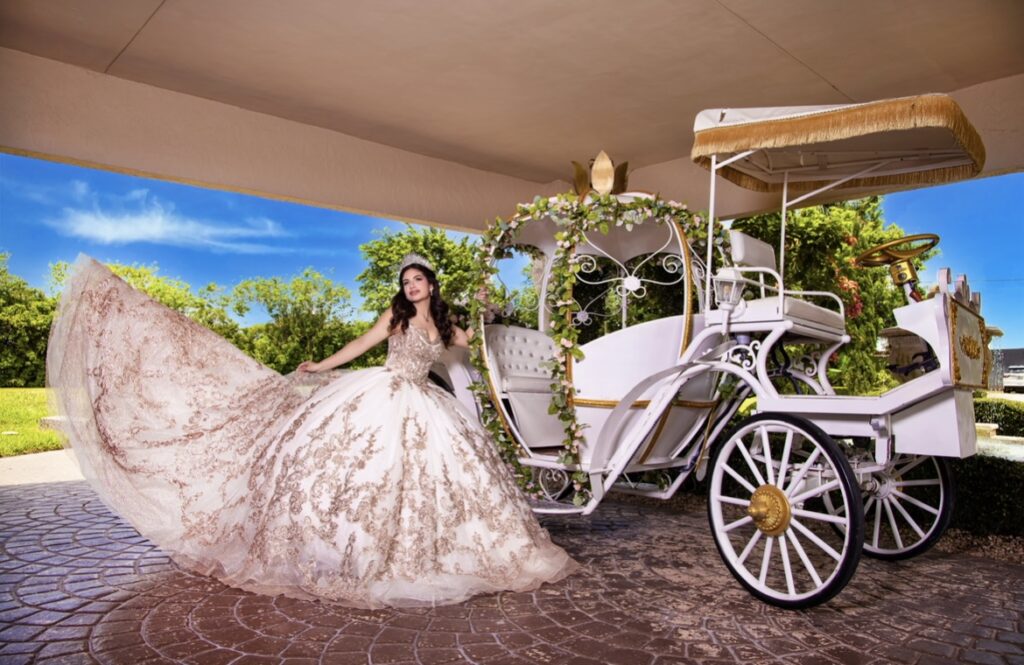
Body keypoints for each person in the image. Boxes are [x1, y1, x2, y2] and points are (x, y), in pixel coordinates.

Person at [47, 253, 576, 609]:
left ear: (431, 285)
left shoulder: (446, 324)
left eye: (417, 280)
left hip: (426, 401)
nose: (410, 286)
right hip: (386, 393)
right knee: (358, 468)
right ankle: (347, 549)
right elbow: (361, 345)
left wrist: (500, 318)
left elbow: (479, 343)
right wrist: (322, 365)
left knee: (440, 477)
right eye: (406, 281)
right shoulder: (395, 316)